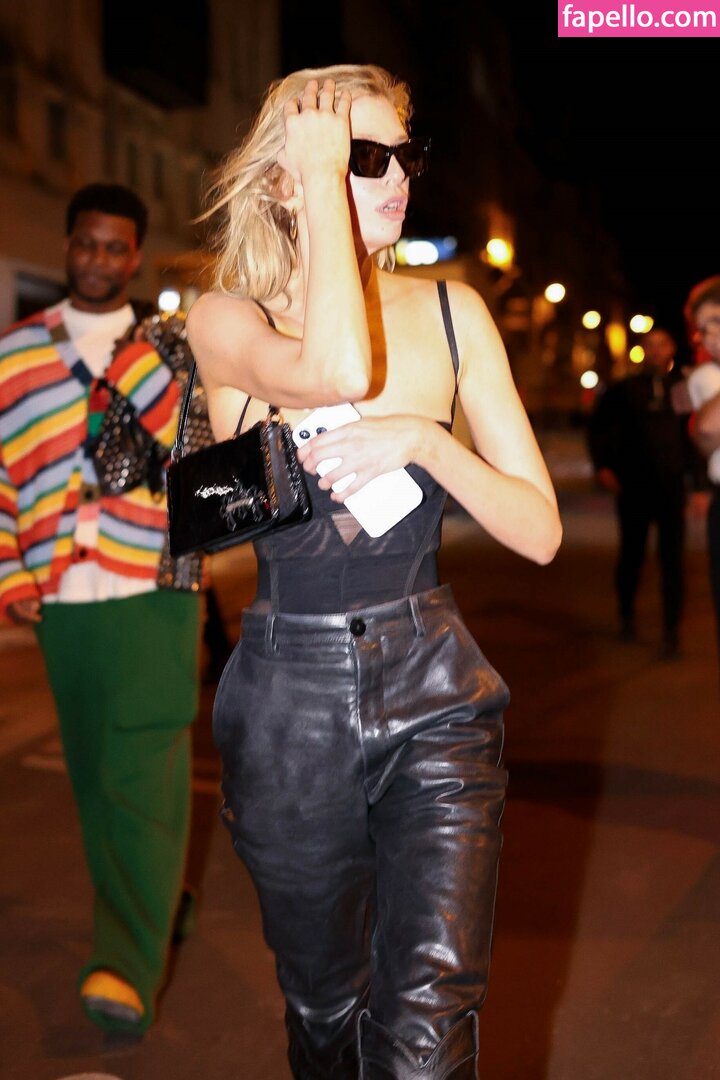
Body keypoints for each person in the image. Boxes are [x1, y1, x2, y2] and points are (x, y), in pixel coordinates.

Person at [185, 64, 562, 1077]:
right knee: (326, 1011)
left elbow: (539, 533)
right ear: (288, 177)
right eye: (363, 156)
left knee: (431, 1028)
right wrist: (317, 183)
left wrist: (429, 444)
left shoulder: (451, 313)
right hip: (288, 706)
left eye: (405, 154)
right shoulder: (229, 322)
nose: (398, 178)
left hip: (437, 686)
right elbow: (338, 373)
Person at [0, 183, 202, 1034]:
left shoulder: (172, 350)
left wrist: (141, 363)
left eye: (116, 247)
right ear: (68, 244)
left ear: (136, 256)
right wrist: (11, 575)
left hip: (153, 587)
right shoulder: (15, 355)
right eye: (87, 242)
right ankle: (157, 893)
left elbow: (195, 450)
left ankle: (125, 965)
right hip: (61, 596)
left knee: (140, 773)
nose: (98, 259)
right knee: (94, 776)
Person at [587, 326, 700, 659]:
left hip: (671, 487)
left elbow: (693, 436)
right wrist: (603, 466)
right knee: (631, 555)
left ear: (672, 349)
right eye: (649, 345)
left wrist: (698, 484)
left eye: (661, 344)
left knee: (672, 560)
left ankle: (671, 631)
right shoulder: (625, 389)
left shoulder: (683, 388)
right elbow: (599, 428)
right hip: (634, 486)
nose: (655, 350)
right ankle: (626, 616)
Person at [682, 275, 720, 652]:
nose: (708, 336)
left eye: (717, 322)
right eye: (701, 327)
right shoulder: (705, 377)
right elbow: (709, 427)